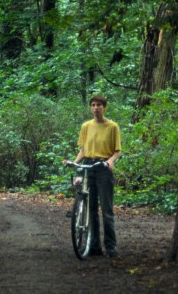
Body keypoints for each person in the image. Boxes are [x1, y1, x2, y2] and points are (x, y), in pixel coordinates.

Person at [65, 94, 121, 258]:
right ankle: (94, 246)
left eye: (99, 105)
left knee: (107, 209)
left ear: (104, 107)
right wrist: (74, 164)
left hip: (103, 166)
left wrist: (111, 161)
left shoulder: (112, 127)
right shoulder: (86, 126)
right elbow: (83, 150)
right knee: (91, 209)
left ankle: (110, 247)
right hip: (88, 165)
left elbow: (117, 151)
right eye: (93, 105)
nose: (96, 108)